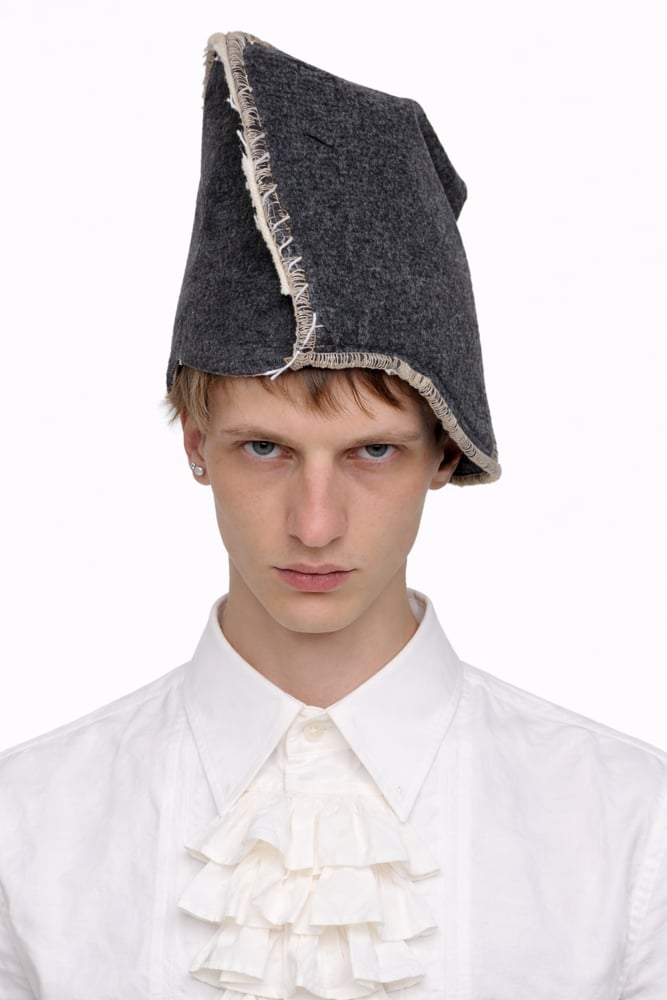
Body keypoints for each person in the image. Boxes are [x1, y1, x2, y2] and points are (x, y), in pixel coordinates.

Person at [0, 29, 665, 999]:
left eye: (372, 452)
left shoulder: (627, 830)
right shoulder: (28, 828)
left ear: (443, 452)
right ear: (195, 443)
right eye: (264, 449)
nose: (314, 525)